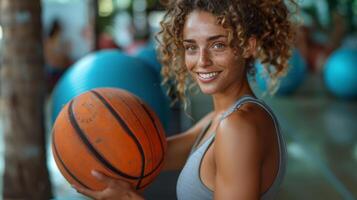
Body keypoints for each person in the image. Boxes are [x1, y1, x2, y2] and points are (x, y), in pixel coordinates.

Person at [73, 0, 295, 199]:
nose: (202, 61)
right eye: (191, 47)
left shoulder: (238, 127)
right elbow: (148, 157)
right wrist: (87, 141)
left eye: (217, 45)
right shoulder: (218, 118)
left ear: (248, 46)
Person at [44, 19, 72, 92]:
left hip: (55, 68)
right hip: (55, 68)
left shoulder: (52, 40)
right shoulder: (51, 41)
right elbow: (56, 56)